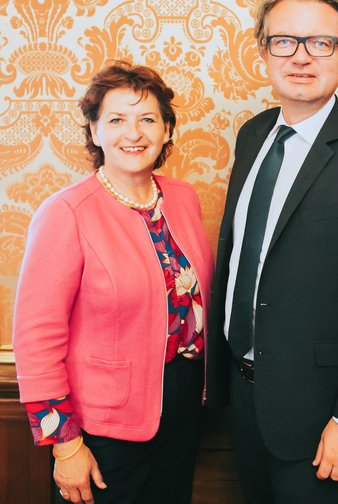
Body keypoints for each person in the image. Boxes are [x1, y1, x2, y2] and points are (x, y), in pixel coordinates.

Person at [205, 0, 338, 504]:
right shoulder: (253, 135)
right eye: (284, 41)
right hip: (244, 398)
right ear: (263, 52)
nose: (301, 56)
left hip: (323, 418)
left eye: (320, 42)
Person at [13, 61, 213, 504]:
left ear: (165, 129)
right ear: (94, 129)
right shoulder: (66, 213)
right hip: (102, 425)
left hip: (182, 409)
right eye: (117, 119)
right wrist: (65, 444)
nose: (133, 133)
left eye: (147, 119)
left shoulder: (183, 199)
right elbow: (36, 338)